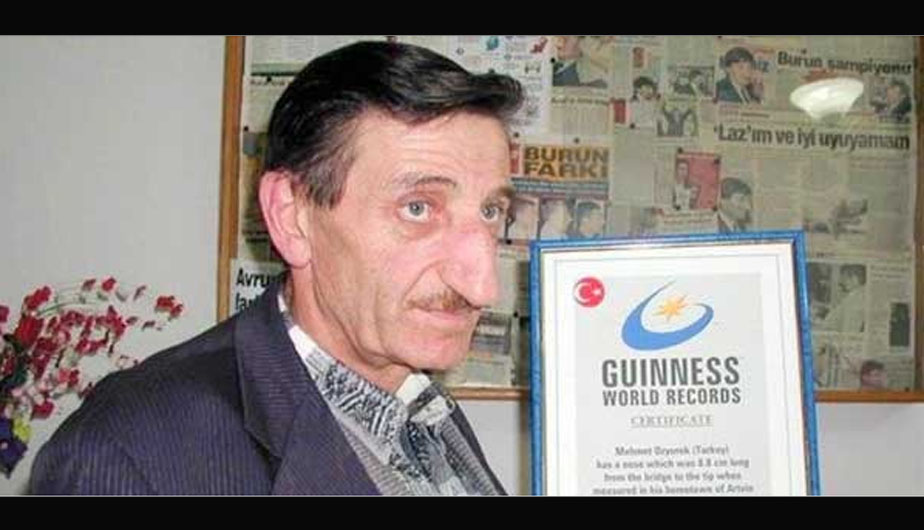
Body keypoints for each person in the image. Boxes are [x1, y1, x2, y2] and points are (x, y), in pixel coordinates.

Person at [31, 41, 523, 495]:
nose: (483, 287)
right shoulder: (131, 452)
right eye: (417, 208)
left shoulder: (424, 410)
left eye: (490, 212)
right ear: (291, 217)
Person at [824, 264, 867, 333]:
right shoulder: (854, 295)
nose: (842, 282)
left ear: (855, 279)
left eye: (845, 278)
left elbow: (848, 330)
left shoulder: (855, 300)